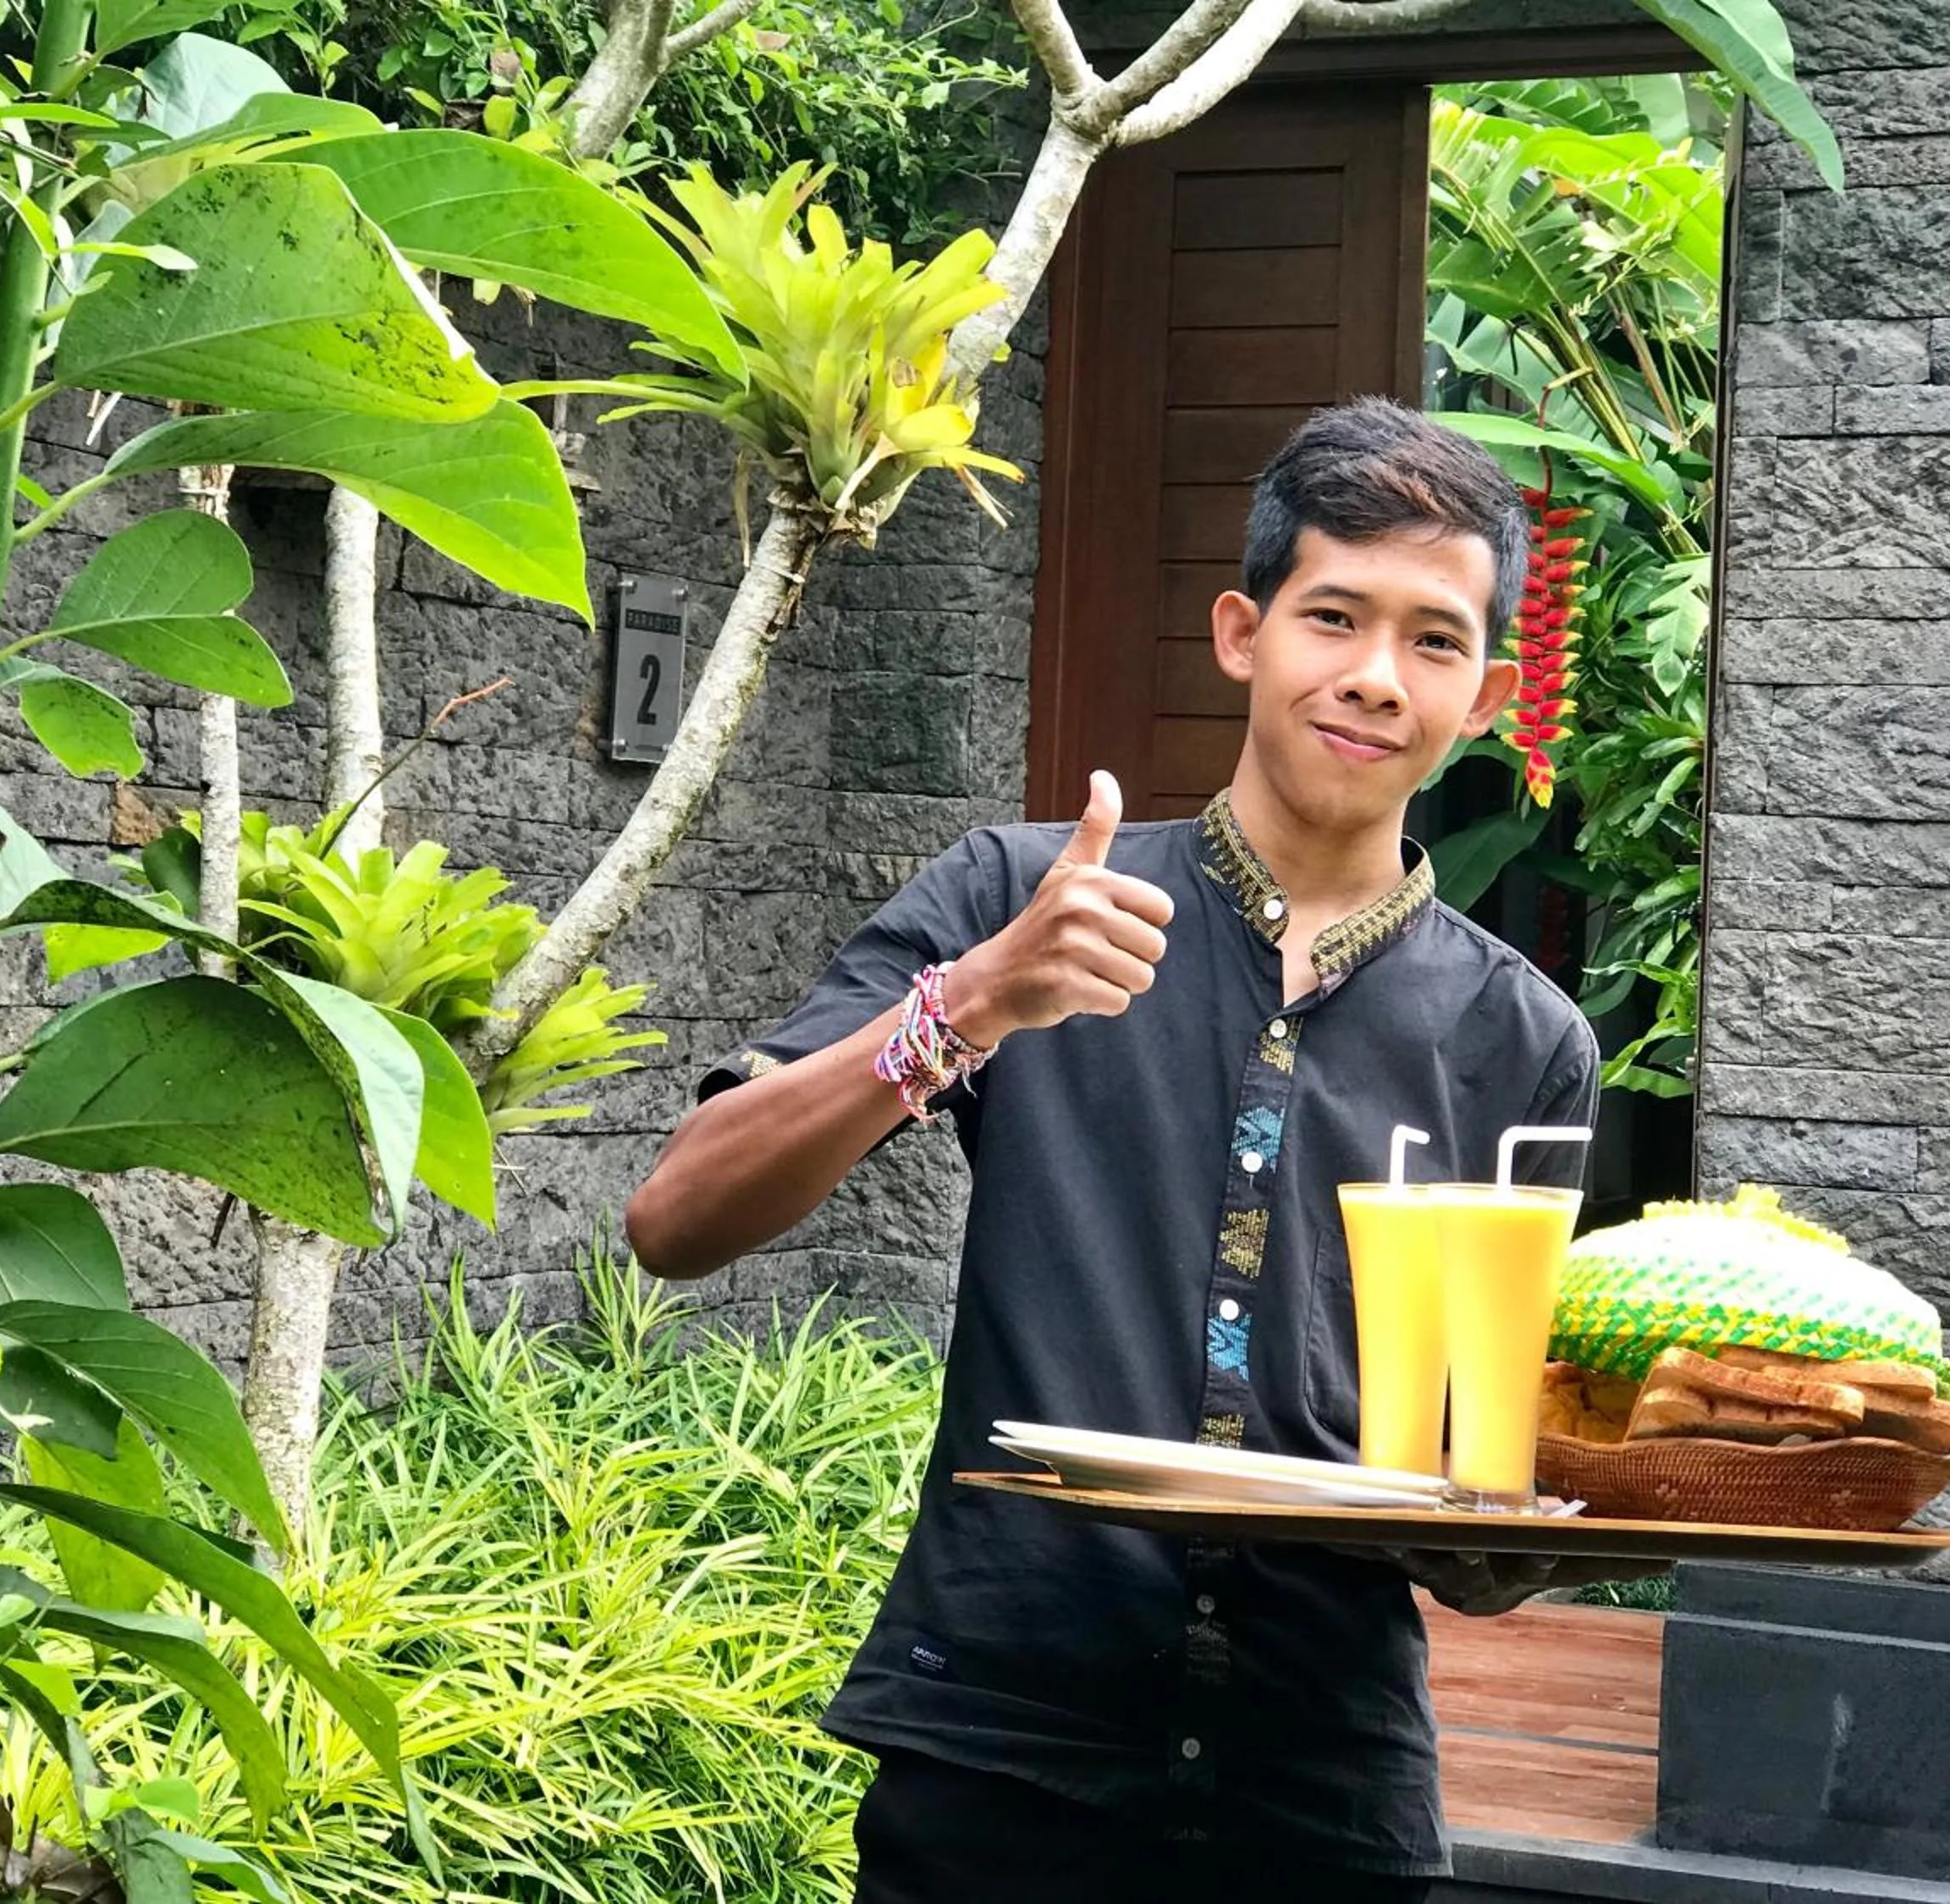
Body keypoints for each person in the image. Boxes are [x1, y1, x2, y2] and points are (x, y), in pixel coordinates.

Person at [625, 397, 1620, 1904]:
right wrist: (966, 1007)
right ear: (1241, 632)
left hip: (1323, 1794)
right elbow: (676, 1215)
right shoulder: (1024, 901)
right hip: (1003, 1753)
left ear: (1485, 694)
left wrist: (1542, 1509)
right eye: (1331, 615)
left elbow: (1481, 1500)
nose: (1371, 676)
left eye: (1431, 639)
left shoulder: (1523, 1039)